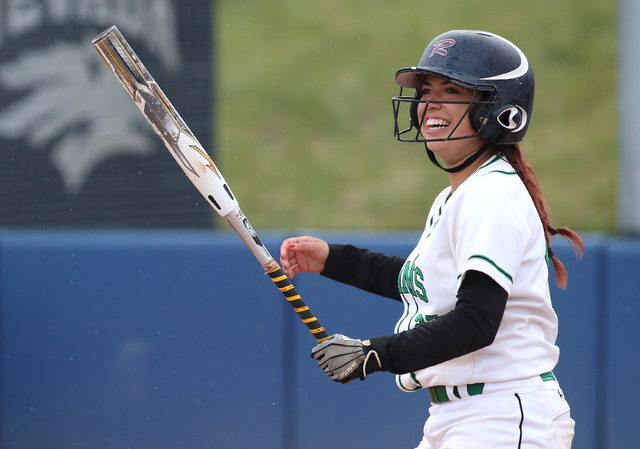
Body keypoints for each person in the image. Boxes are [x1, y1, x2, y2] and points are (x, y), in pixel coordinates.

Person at [279, 30, 584, 449]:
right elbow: (421, 280)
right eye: (426, 90)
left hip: (500, 415)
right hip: (466, 416)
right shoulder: (459, 194)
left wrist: (375, 353)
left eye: (452, 89)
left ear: (497, 109)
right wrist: (334, 259)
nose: (429, 103)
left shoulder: (491, 193)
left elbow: (477, 321)